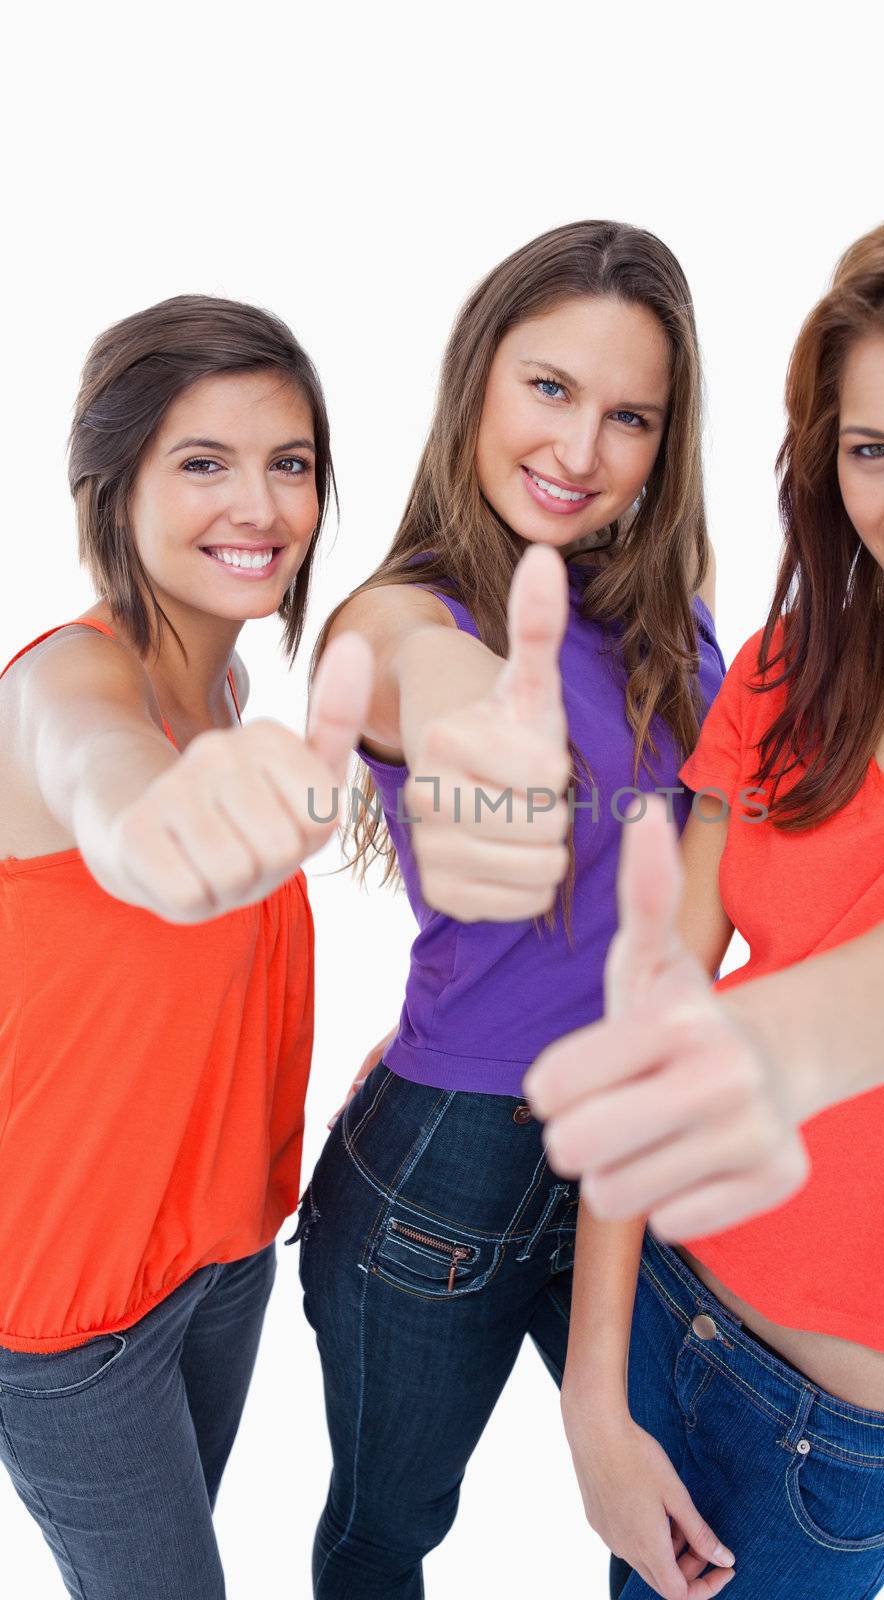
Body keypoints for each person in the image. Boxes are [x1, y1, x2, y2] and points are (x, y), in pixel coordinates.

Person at [525, 208, 884, 1600]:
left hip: (831, 1439)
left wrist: (775, 1049)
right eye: (873, 449)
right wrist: (594, 1397)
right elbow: (658, 995)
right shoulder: (785, 673)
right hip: (660, 1306)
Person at [294, 220, 726, 1599]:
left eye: (629, 416)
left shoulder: (673, 614)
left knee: (687, 1523)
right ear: (477, 380)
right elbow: (419, 679)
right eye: (548, 388)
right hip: (448, 1179)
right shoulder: (399, 616)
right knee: (386, 1533)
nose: (581, 449)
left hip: (633, 1161)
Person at [0, 295, 370, 1600]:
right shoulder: (64, 689)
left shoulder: (233, 696)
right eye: (202, 462)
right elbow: (112, 795)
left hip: (218, 1259)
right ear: (114, 482)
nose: (257, 505)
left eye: (291, 462)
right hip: (67, 1312)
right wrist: (154, 833)